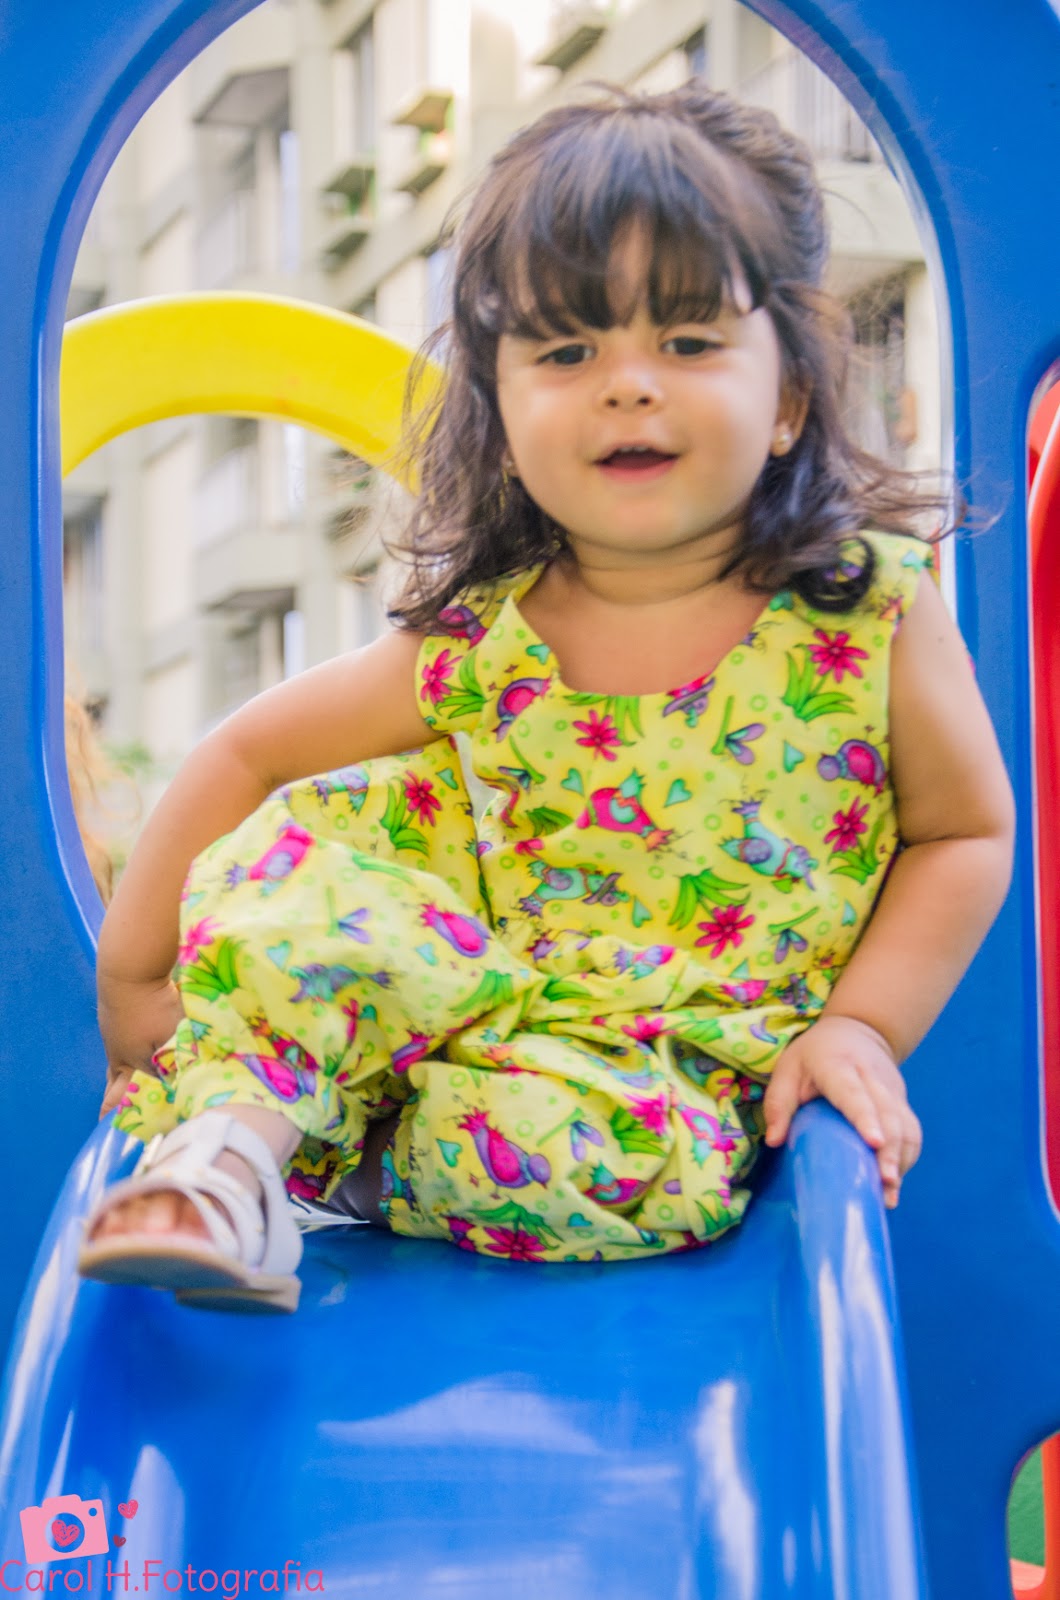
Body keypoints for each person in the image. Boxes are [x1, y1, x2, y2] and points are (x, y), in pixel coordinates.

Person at [78, 82, 1014, 1313]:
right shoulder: (486, 638)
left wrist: (862, 1026)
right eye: (567, 352)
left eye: (687, 342)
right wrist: (134, 980)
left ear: (788, 397)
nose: (627, 385)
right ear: (502, 413)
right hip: (456, 999)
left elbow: (962, 831)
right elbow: (250, 756)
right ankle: (233, 1162)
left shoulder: (862, 609)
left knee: (620, 1164)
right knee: (323, 870)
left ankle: (347, 1160)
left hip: (656, 1068)